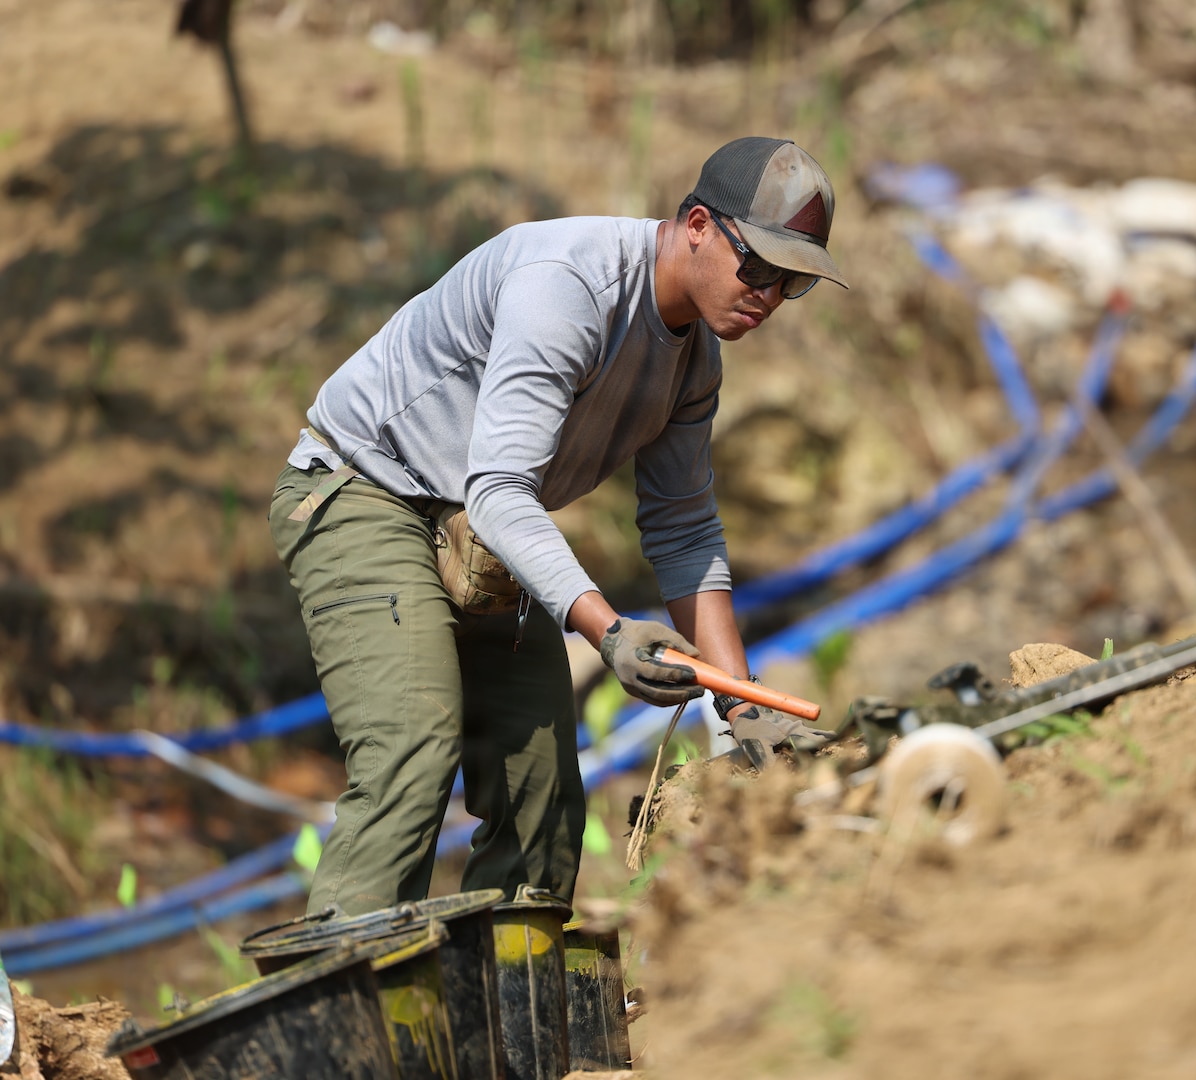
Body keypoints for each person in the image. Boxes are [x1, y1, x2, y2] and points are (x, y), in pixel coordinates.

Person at [268, 137, 842, 916]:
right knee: (412, 752)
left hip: (479, 531)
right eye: (760, 268)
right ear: (699, 225)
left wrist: (741, 703)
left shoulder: (694, 362)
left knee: (541, 800)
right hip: (367, 491)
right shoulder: (570, 285)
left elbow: (681, 532)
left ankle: (496, 1029)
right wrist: (607, 632)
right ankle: (338, 1017)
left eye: (793, 284)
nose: (769, 297)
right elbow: (502, 489)